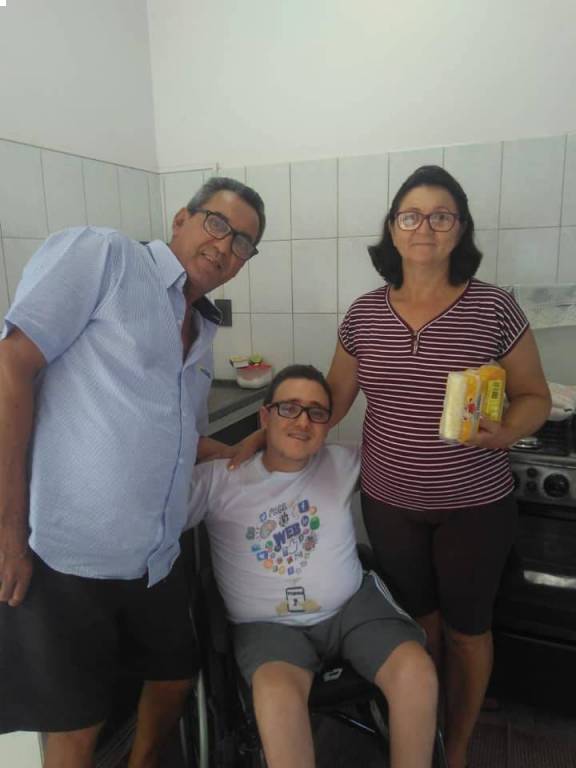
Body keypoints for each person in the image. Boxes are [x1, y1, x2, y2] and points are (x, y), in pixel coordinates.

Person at [0, 177, 265, 768]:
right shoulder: (107, 257)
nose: (226, 246)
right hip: (69, 554)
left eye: (243, 243)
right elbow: (10, 363)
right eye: (218, 224)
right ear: (181, 220)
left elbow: (175, 436)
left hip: (154, 557)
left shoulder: (203, 329)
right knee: (75, 724)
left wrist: (241, 448)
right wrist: (8, 532)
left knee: (174, 677)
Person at [324, 165, 551, 768]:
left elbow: (535, 396)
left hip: (475, 506)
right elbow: (332, 402)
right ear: (392, 229)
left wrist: (507, 430)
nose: (424, 227)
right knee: (417, 629)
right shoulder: (364, 314)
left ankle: (459, 749)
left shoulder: (494, 307)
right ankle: (424, 736)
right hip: (390, 504)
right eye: (411, 215)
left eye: (441, 215)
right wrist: (270, 430)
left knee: (467, 633)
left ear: (460, 229)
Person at [187, 364, 439, 768]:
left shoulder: (343, 461)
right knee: (276, 697)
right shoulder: (220, 479)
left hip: (352, 610)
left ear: (326, 425)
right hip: (267, 627)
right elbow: (152, 513)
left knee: (416, 672)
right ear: (265, 416)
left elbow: (408, 454)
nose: (303, 421)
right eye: (289, 408)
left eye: (316, 412)